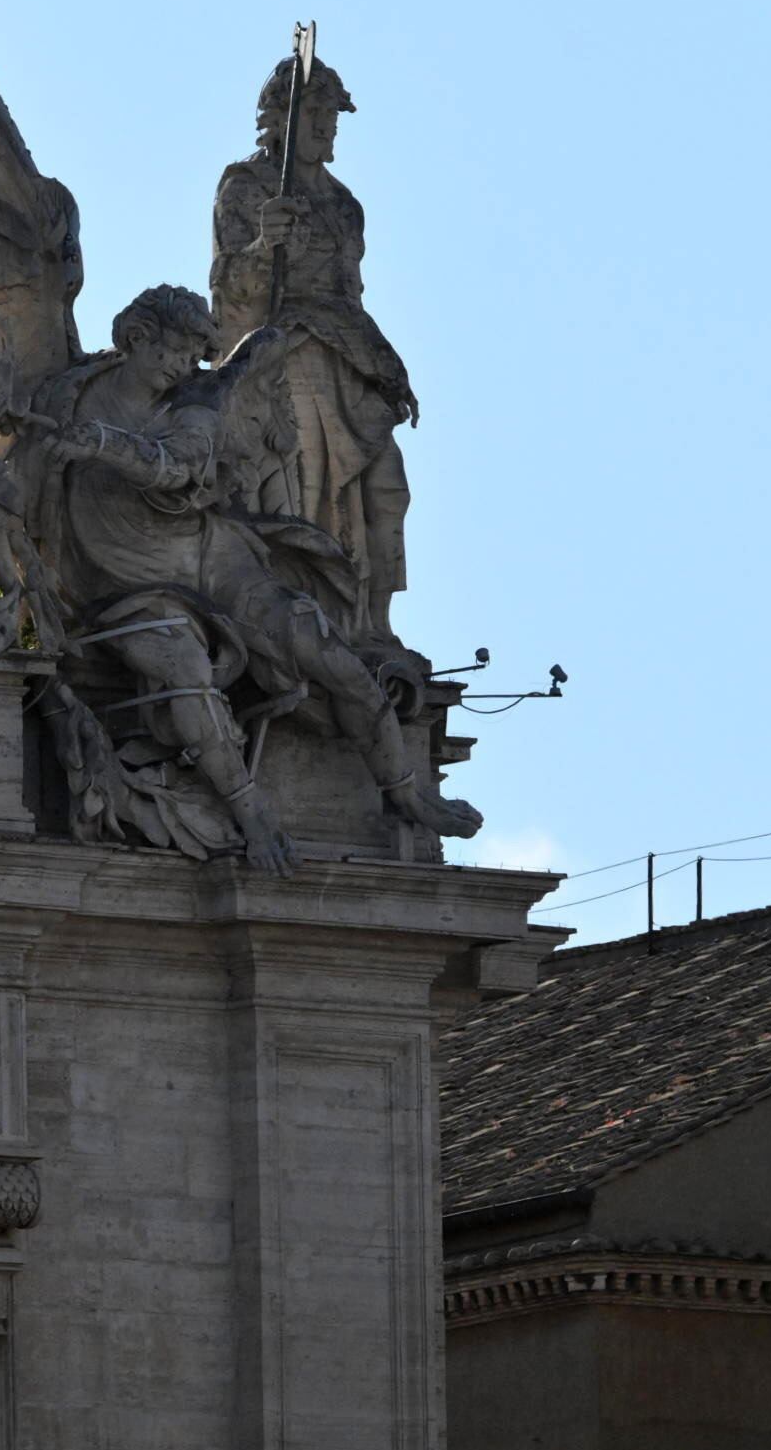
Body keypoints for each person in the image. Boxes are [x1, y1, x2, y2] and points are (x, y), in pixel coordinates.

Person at [25, 286, 477, 864]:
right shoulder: (69, 394)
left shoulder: (193, 401)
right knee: (187, 675)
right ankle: (253, 817)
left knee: (320, 643)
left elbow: (179, 466)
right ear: (136, 339)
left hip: (214, 557)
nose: (183, 369)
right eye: (174, 353)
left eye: (193, 358)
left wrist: (102, 445)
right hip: (125, 585)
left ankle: (405, 792)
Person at [207, 55, 415, 643]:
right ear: (279, 118)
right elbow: (228, 290)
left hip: (347, 356)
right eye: (315, 113)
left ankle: (376, 624)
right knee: (310, 490)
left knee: (387, 488)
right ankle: (316, 617)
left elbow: (353, 296)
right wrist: (260, 245)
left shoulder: (345, 205)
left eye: (332, 115)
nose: (326, 126)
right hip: (286, 353)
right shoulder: (247, 187)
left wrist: (388, 369)